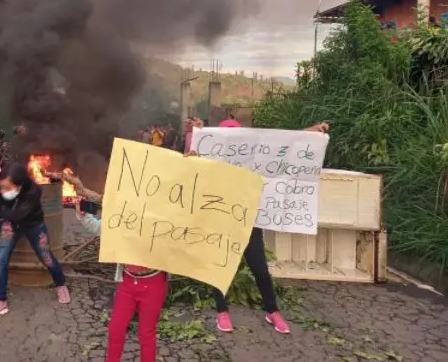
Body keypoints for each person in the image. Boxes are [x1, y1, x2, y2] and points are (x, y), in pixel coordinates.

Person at [189, 119, 330, 334]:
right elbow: (193, 161)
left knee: (261, 270)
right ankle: (222, 311)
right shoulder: (213, 162)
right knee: (220, 268)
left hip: (250, 222)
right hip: (223, 222)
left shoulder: (255, 158)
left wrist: (310, 133)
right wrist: (199, 132)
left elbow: (283, 143)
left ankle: (272, 310)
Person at [0, 163, 70, 319]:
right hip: (10, 225)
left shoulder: (33, 191)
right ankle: (0, 300)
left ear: (19, 185)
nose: (3, 190)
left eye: (7, 187)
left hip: (33, 225)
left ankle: (60, 284)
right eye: (1, 186)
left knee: (46, 257)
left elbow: (17, 215)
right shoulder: (3, 187)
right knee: (1, 259)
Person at [75, 201, 165, 362]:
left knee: (146, 333)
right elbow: (99, 227)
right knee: (115, 328)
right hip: (128, 282)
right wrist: (84, 217)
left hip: (154, 283)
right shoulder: (124, 216)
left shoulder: (160, 218)